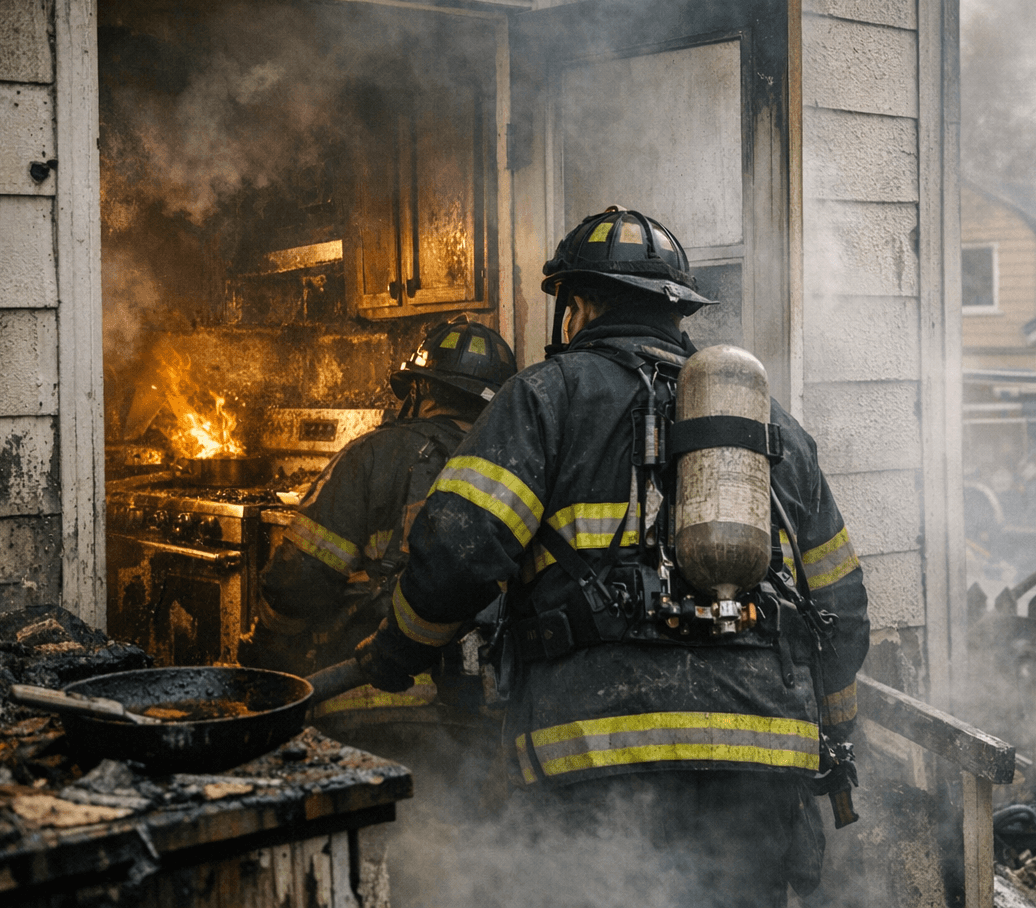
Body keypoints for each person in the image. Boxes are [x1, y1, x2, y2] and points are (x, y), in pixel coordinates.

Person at [352, 206, 870, 907]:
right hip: (763, 757)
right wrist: (837, 734)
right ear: (677, 312)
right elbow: (840, 607)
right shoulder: (770, 425)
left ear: (578, 306)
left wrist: (396, 651)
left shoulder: (542, 399)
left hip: (595, 753)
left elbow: (457, 555)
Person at [241, 316, 516, 680]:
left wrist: (268, 651)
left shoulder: (370, 455)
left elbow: (300, 577)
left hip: (365, 687)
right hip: (478, 699)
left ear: (419, 389)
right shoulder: (514, 469)